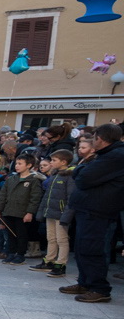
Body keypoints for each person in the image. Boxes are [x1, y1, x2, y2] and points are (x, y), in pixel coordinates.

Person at [60, 123, 124, 303]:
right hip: (88, 209)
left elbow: (84, 178)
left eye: (94, 138)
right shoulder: (106, 154)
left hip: (99, 211)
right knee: (82, 248)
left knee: (93, 249)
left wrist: (80, 168)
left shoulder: (115, 156)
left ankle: (99, 288)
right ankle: (85, 282)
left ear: (100, 139)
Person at [0, 153, 43, 265]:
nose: (17, 166)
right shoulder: (11, 179)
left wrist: (30, 212)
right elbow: (3, 195)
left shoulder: (33, 181)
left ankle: (20, 254)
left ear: (29, 165)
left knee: (21, 235)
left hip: (22, 213)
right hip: (9, 211)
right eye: (16, 163)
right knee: (10, 234)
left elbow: (35, 198)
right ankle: (11, 252)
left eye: (20, 164)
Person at [31, 150, 74, 277]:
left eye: (54, 160)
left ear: (64, 162)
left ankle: (60, 264)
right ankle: (49, 260)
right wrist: (41, 211)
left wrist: (66, 215)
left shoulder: (69, 176)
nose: (51, 162)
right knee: (51, 238)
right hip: (51, 211)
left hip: (61, 213)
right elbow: (47, 196)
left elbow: (71, 197)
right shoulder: (54, 175)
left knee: (62, 239)